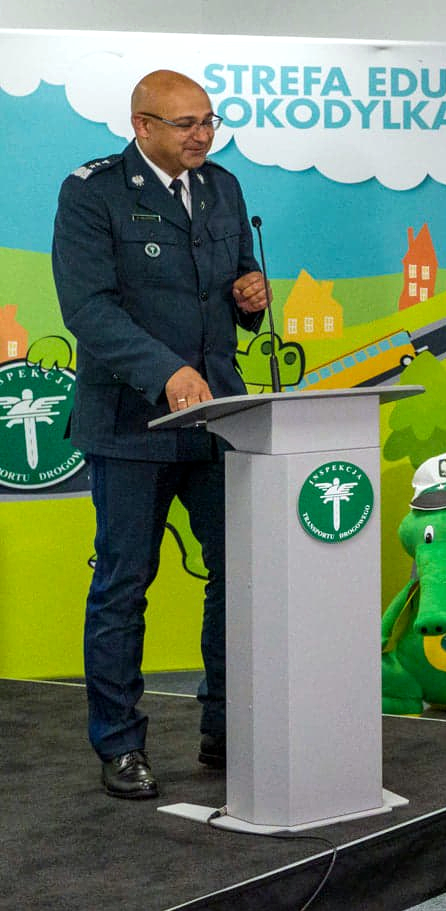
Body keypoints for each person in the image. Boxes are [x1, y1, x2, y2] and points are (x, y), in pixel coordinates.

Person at [50, 69, 269, 799]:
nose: (202, 135)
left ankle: (227, 728)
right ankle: (119, 744)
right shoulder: (93, 192)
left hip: (217, 419)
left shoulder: (222, 187)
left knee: (238, 573)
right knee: (123, 584)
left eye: (209, 121)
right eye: (185, 124)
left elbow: (230, 285)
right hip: (131, 423)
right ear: (142, 126)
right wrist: (165, 371)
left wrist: (249, 299)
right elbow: (89, 308)